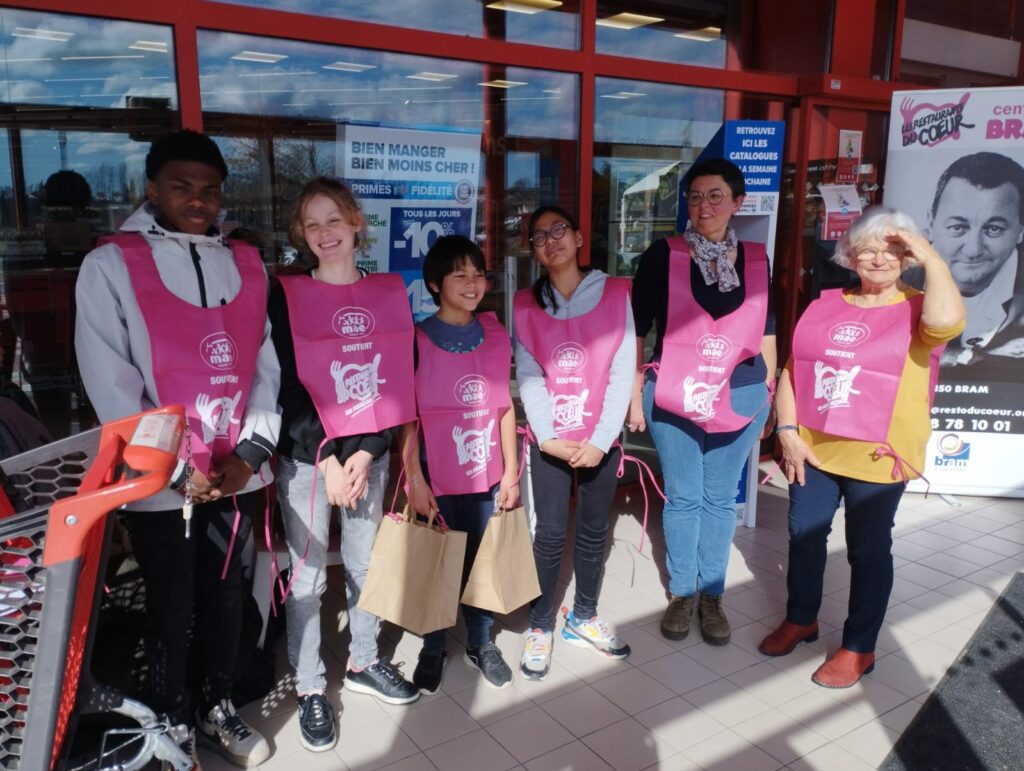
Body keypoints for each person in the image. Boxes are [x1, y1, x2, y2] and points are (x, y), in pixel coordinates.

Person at [75, 130, 279, 767]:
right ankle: (168, 717)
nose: (198, 200)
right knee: (170, 602)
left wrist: (249, 452)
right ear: (152, 188)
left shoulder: (245, 262)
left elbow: (264, 367)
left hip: (235, 471)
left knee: (224, 595)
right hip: (164, 480)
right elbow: (111, 378)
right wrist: (175, 467)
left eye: (210, 189)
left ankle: (216, 704)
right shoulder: (112, 265)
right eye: (181, 186)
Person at [759, 207, 965, 688]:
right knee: (803, 537)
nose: (878, 259)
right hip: (814, 448)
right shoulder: (827, 304)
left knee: (868, 551)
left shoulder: (920, 308)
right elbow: (793, 369)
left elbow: (949, 320)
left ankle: (858, 646)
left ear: (908, 255)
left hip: (879, 455)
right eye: (867, 249)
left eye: (892, 249)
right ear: (849, 255)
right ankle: (802, 618)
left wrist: (930, 256)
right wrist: (786, 431)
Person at [269, 176, 419, 754]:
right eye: (312, 224)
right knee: (306, 577)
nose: (324, 233)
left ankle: (363, 660)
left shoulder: (387, 292)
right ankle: (310, 686)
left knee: (364, 564)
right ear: (301, 235)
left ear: (357, 222)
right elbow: (284, 385)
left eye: (334, 220)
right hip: (311, 462)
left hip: (366, 458)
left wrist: (367, 450)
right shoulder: (286, 295)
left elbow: (396, 377)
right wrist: (327, 456)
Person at [630, 158, 775, 646]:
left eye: (715, 196)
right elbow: (637, 329)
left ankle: (712, 594)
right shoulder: (663, 255)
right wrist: (633, 394)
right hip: (675, 392)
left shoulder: (756, 259)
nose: (703, 205)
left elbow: (766, 329)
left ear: (737, 203)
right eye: (694, 197)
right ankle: (681, 593)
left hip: (740, 392)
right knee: (686, 494)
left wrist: (770, 393)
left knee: (719, 497)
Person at [513, 204, 634, 681]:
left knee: (592, 532)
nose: (551, 241)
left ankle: (582, 617)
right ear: (535, 252)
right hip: (551, 443)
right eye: (539, 237)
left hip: (600, 441)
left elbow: (624, 368)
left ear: (580, 237)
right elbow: (528, 374)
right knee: (550, 536)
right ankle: (540, 625)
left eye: (559, 230)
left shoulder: (615, 293)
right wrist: (548, 438)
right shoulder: (526, 304)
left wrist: (603, 441)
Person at [399, 235, 519, 694]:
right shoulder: (416, 338)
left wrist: (510, 471)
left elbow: (503, 406)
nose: (472, 283)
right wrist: (414, 477)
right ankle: (432, 647)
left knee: (479, 560)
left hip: (486, 472)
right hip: (436, 473)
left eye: (478, 273)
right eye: (459, 274)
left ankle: (481, 642)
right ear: (433, 284)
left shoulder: (495, 334)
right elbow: (406, 417)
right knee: (436, 563)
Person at [925, 151, 1024, 369]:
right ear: (931, 224)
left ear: (1020, 232)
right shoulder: (896, 274)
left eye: (994, 229)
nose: (973, 250)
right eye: (958, 227)